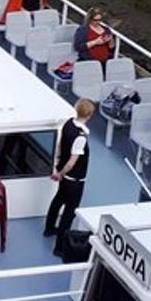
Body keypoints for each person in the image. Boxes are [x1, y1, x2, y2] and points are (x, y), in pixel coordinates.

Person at [44, 99, 95, 254]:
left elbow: (60, 145)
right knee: (69, 213)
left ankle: (49, 228)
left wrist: (57, 165)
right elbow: (72, 162)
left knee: (58, 200)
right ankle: (59, 247)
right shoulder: (81, 136)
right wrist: (61, 173)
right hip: (74, 180)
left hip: (65, 179)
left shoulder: (68, 124)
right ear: (90, 115)